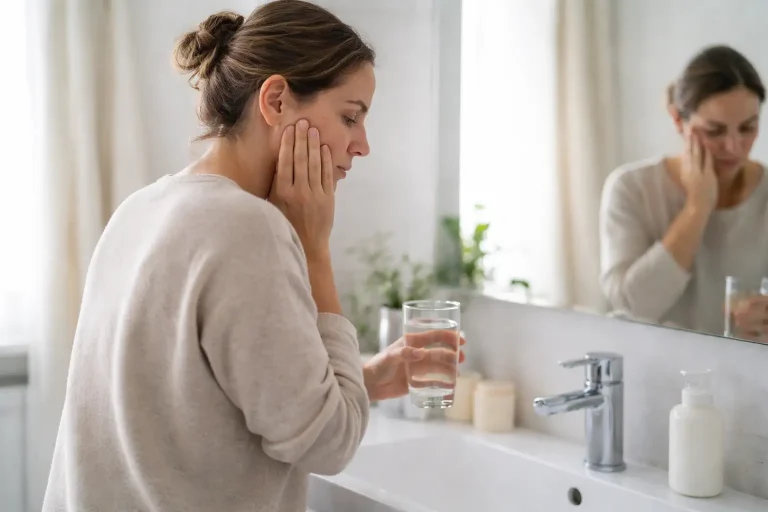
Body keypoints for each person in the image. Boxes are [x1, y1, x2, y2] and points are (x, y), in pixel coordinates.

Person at [42, 2, 464, 511]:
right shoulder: (248, 228)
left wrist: (364, 380)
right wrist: (315, 251)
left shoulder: (141, 208)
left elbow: (199, 404)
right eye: (349, 116)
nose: (362, 145)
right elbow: (329, 443)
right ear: (277, 100)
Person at [600, 44, 768, 341]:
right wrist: (697, 208)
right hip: (660, 374)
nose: (734, 146)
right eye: (715, 131)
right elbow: (631, 306)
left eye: (748, 128)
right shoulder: (631, 189)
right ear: (678, 119)